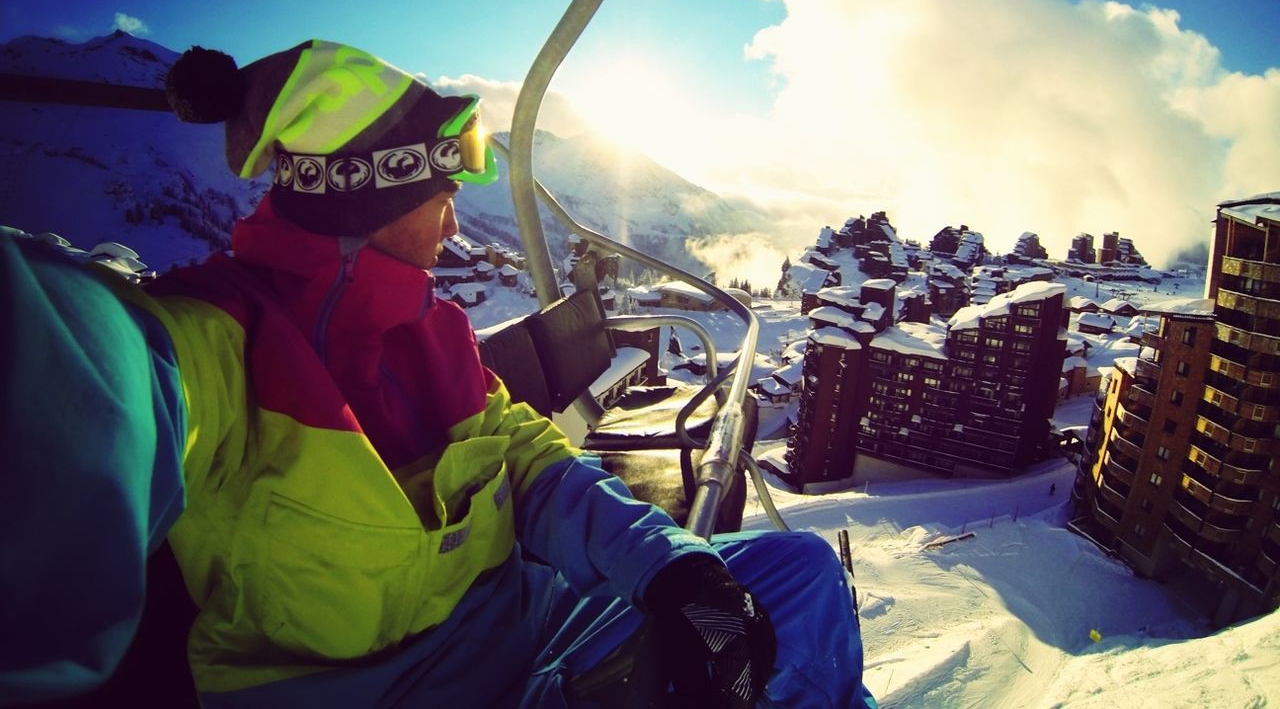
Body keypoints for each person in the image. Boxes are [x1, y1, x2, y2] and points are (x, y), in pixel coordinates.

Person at [0, 40, 878, 709]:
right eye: (444, 193)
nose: (458, 223)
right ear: (371, 194)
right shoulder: (218, 342)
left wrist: (675, 570)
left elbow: (533, 467)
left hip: (527, 632)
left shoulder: (431, 329)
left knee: (797, 576)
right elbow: (94, 383)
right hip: (373, 692)